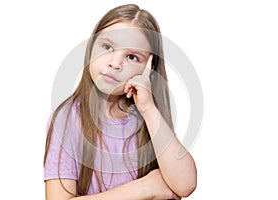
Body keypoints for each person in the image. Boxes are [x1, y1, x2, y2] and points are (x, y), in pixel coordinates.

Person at [44, 4, 197, 200]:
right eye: (107, 47)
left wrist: (149, 109)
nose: (115, 63)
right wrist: (145, 188)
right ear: (91, 47)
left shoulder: (148, 115)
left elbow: (185, 185)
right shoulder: (67, 120)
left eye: (132, 57)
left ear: (148, 70)